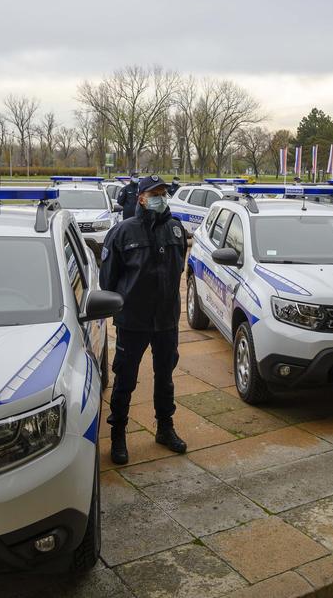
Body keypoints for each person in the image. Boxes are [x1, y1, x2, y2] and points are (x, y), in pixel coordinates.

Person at [100, 175, 189, 465]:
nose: (161, 197)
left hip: (165, 320)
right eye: (154, 193)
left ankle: (165, 428)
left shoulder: (176, 230)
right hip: (133, 321)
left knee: (165, 378)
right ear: (141, 197)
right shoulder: (123, 232)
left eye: (164, 193)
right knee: (125, 380)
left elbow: (177, 272)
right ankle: (118, 436)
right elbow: (108, 280)